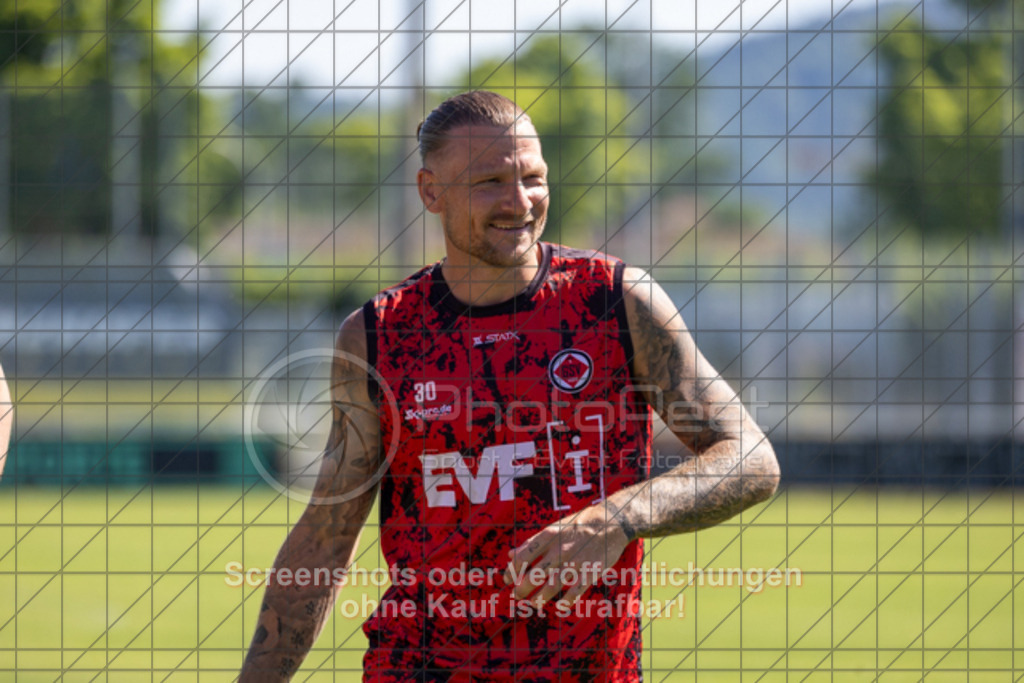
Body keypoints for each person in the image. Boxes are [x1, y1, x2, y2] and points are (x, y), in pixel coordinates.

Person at [240, 90, 779, 682]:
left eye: (532, 177)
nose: (519, 201)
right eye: (489, 181)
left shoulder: (614, 302)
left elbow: (751, 458)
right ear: (430, 192)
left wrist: (619, 515)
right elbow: (324, 539)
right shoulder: (378, 338)